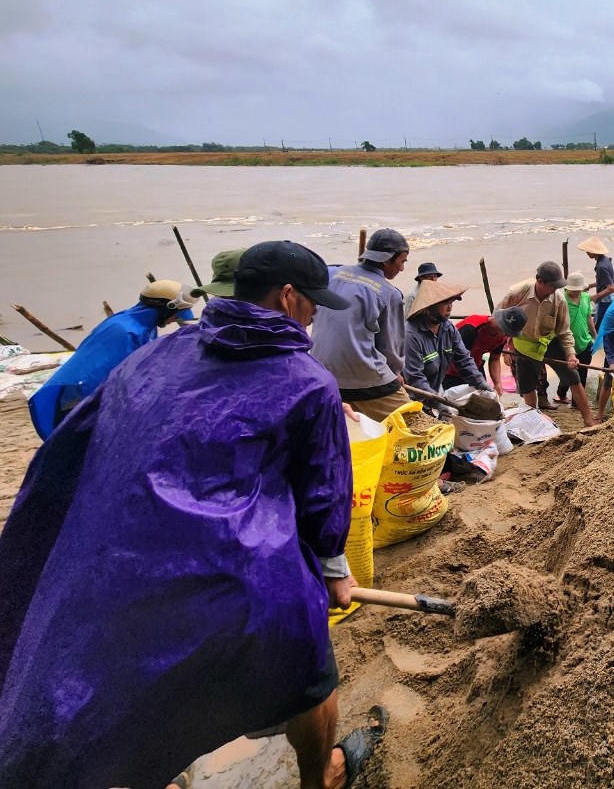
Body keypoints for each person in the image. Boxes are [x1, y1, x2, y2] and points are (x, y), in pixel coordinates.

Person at [0, 241, 386, 789]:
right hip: (235, 575)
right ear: (287, 297)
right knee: (311, 676)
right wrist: (332, 570)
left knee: (143, 685)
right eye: (313, 301)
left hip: (123, 565)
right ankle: (320, 774)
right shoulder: (307, 380)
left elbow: (84, 438)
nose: (317, 312)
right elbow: (323, 496)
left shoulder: (157, 353)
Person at [27, 279, 198, 439]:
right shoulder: (124, 331)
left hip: (91, 400)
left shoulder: (142, 326)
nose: (176, 319)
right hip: (80, 405)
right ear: (165, 308)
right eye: (176, 314)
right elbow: (108, 377)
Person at [311, 228, 410, 420]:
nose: (402, 269)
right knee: (413, 423)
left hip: (321, 373)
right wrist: (396, 374)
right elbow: (391, 347)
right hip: (366, 379)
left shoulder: (330, 274)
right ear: (387, 260)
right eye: (401, 262)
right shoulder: (389, 293)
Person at [499, 261, 598, 427]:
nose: (555, 290)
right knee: (528, 387)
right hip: (525, 344)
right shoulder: (517, 293)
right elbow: (501, 318)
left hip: (549, 341)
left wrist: (571, 355)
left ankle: (588, 419)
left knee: (573, 378)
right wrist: (504, 347)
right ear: (539, 281)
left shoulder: (559, 300)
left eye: (557, 286)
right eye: (552, 286)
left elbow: (564, 331)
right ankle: (532, 423)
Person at [404, 280, 493, 400]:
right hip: (411, 398)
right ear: (429, 307)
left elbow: (463, 359)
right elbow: (415, 378)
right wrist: (437, 402)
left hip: (434, 391)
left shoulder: (448, 328)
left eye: (451, 303)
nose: (450, 307)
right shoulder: (410, 335)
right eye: (445, 303)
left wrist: (479, 382)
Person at [556, 271, 597, 403]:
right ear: (568, 289)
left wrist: (595, 335)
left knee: (582, 373)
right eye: (575, 290)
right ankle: (561, 394)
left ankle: (577, 402)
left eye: (579, 290)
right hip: (568, 345)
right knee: (567, 374)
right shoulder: (562, 301)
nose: (577, 293)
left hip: (585, 341)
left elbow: (589, 318)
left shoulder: (585, 297)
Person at [451, 311, 508, 391]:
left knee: (484, 397)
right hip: (452, 370)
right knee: (457, 400)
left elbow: (495, 358)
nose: (507, 335)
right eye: (507, 331)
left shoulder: (502, 337)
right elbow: (459, 358)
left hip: (475, 367)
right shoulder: (471, 328)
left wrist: (497, 383)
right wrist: (477, 381)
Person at [578, 235, 614, 331]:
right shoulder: (606, 260)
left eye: (588, 251)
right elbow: (605, 280)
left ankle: (599, 344)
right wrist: (590, 286)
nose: (587, 253)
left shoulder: (601, 267)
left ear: (594, 252)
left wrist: (595, 297)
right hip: (610, 298)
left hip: (606, 300)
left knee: (599, 326)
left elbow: (611, 288)